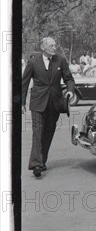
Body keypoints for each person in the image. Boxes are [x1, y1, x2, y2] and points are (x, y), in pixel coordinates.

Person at [21, 37, 75, 178]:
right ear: (43, 47)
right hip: (38, 103)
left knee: (48, 132)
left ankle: (42, 161)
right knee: (37, 132)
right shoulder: (33, 62)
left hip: (54, 103)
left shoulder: (60, 60)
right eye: (51, 45)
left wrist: (70, 90)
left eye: (55, 45)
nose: (54, 47)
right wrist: (21, 103)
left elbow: (69, 79)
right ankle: (36, 164)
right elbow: (24, 83)